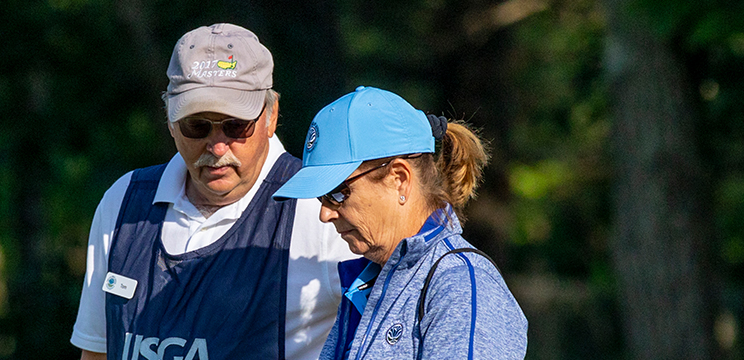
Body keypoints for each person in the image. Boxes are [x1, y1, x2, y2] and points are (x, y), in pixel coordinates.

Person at [71, 23, 361, 360]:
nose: (218, 145)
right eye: (197, 126)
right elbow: (96, 352)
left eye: (236, 125)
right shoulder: (123, 202)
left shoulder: (321, 208)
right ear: (170, 122)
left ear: (271, 116)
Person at [272, 87, 526, 360]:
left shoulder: (460, 285)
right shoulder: (368, 281)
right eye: (322, 197)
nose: (325, 214)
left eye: (337, 193)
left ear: (399, 179)